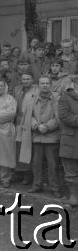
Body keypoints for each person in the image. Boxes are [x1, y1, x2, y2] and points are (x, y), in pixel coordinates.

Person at [18, 75, 62, 198]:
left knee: (52, 164)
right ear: (39, 85)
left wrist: (47, 127)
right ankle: (37, 185)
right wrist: (37, 126)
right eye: (42, 83)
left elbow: (59, 117)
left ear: (51, 84)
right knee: (36, 163)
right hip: (37, 136)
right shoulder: (33, 99)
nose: (45, 85)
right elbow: (28, 116)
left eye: (47, 83)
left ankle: (55, 187)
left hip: (52, 137)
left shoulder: (57, 99)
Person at [14, 71, 39, 185]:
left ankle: (29, 175)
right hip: (19, 123)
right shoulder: (18, 90)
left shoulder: (37, 90)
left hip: (30, 122)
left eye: (28, 79)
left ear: (33, 79)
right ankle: (19, 172)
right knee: (18, 148)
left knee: (28, 150)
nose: (25, 81)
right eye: (23, 79)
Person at [58, 75, 78, 206]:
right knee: (71, 171)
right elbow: (64, 116)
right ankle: (74, 196)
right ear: (74, 84)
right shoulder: (65, 97)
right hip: (71, 139)